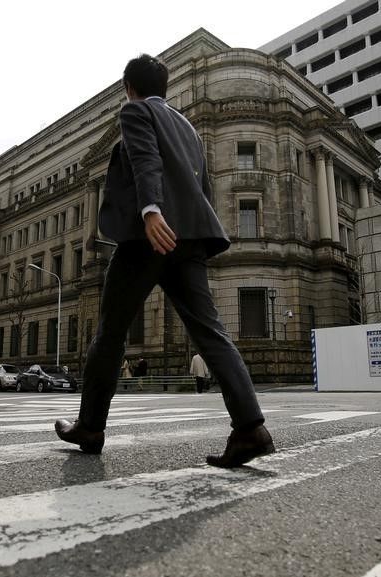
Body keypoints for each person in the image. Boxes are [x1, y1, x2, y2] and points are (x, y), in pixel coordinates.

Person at [55, 54, 275, 468]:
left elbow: (144, 160)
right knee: (211, 334)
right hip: (189, 241)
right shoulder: (189, 128)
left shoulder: (135, 111)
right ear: (166, 86)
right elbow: (202, 189)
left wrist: (151, 210)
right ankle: (250, 428)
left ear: (128, 87)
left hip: (147, 238)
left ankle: (90, 425)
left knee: (110, 334)